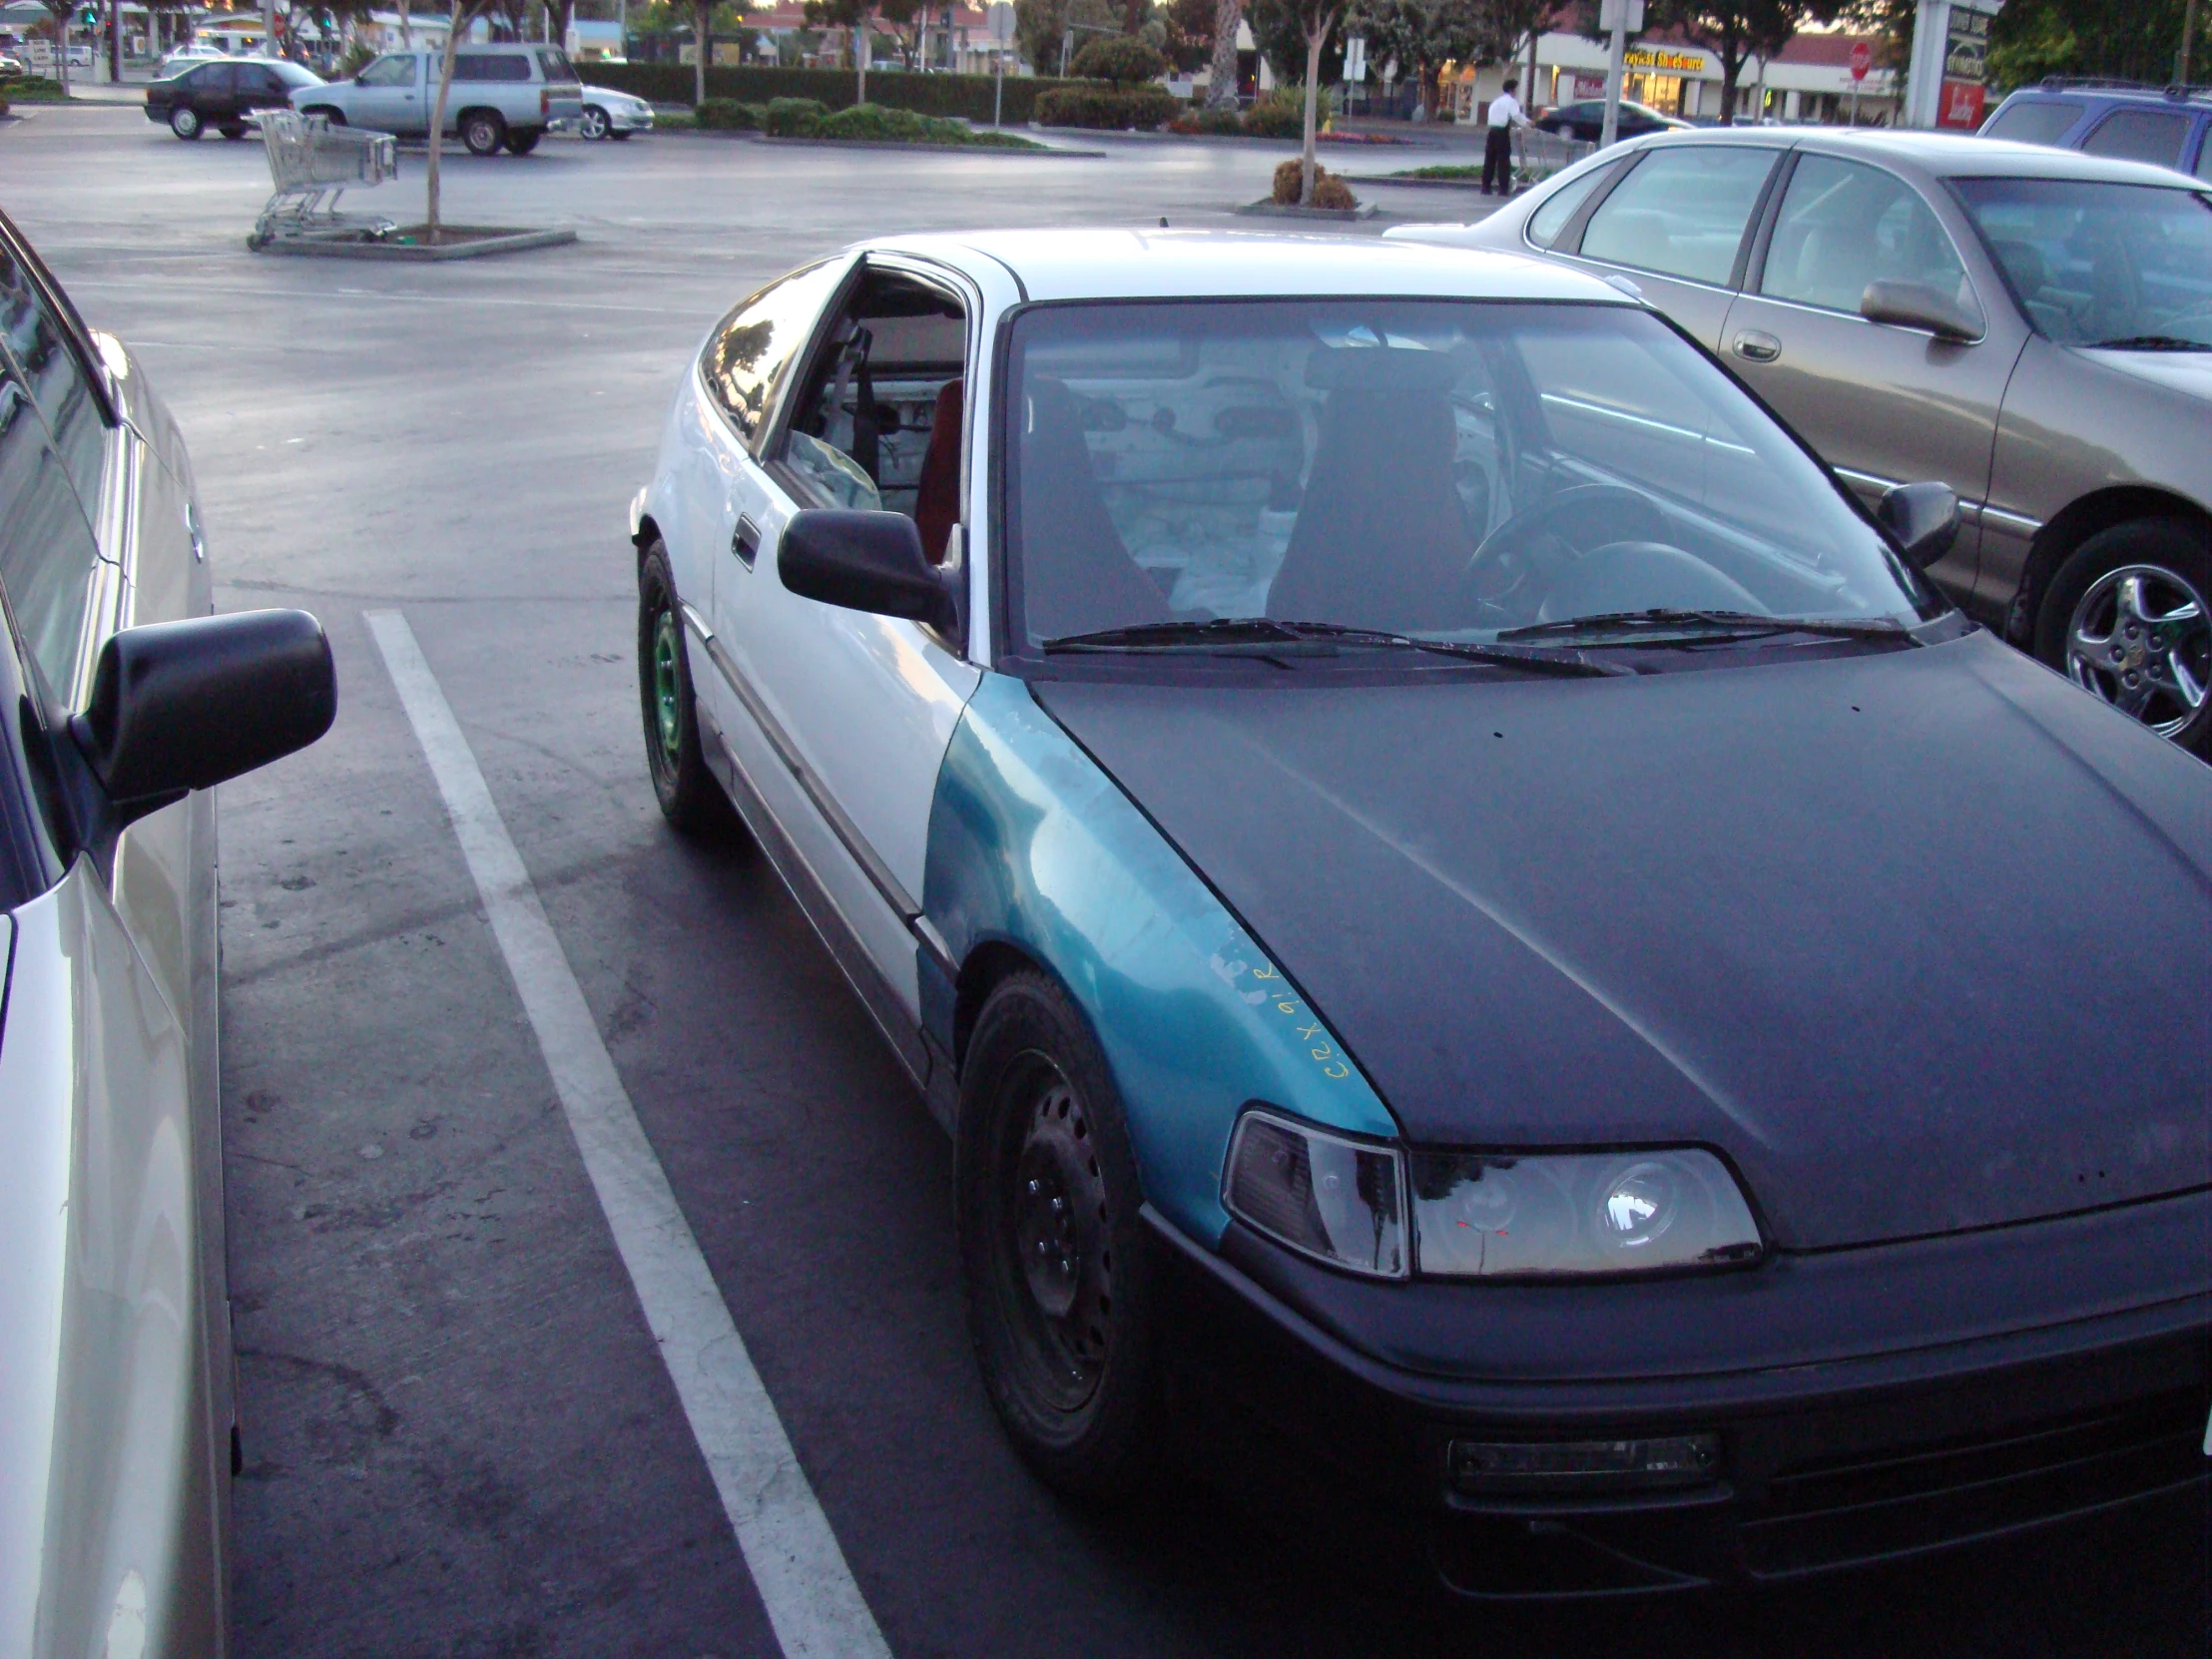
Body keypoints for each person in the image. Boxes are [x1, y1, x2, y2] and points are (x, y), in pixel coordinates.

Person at [1482, 77, 1532, 197]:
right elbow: (1516, 115)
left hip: (1492, 131)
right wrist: (1528, 123)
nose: (1516, 92)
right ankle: (1503, 189)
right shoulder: (1511, 101)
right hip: (1502, 132)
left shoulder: (1497, 101)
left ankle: (1486, 187)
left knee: (1490, 160)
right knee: (1503, 161)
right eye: (1515, 89)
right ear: (1511, 90)